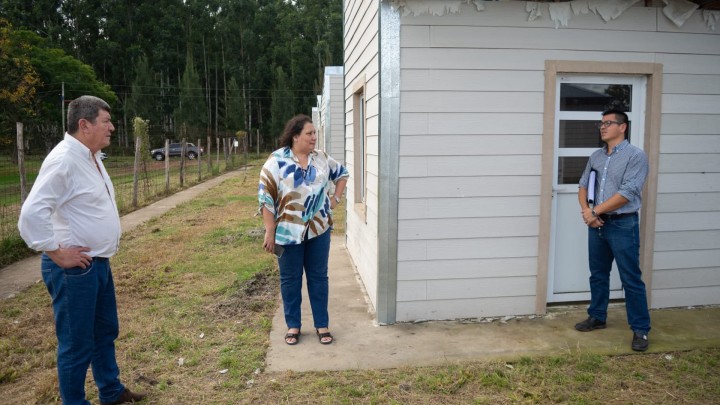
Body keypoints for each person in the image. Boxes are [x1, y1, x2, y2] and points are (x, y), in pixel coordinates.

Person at [18, 96, 146, 404]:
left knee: (104, 332)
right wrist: (57, 253)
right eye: (106, 121)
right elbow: (31, 214)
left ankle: (111, 391)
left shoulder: (91, 156)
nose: (112, 127)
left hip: (97, 263)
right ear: (84, 125)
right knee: (77, 343)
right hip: (74, 270)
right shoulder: (64, 160)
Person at [258, 114, 348, 345]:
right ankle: (293, 326)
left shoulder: (321, 158)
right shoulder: (276, 161)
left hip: (319, 230)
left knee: (319, 278)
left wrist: (335, 199)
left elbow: (342, 174)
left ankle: (322, 324)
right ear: (295, 136)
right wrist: (269, 231)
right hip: (287, 233)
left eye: (315, 133)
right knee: (290, 279)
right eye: (309, 133)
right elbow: (266, 198)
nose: (314, 137)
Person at [575, 109, 651, 352]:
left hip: (622, 224)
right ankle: (597, 316)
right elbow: (583, 185)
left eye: (608, 123)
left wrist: (594, 212)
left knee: (630, 278)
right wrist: (588, 212)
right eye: (601, 123)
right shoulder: (596, 156)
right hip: (597, 224)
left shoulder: (635, 156)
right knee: (598, 274)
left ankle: (640, 329)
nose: (602, 127)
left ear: (623, 127)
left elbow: (628, 193)